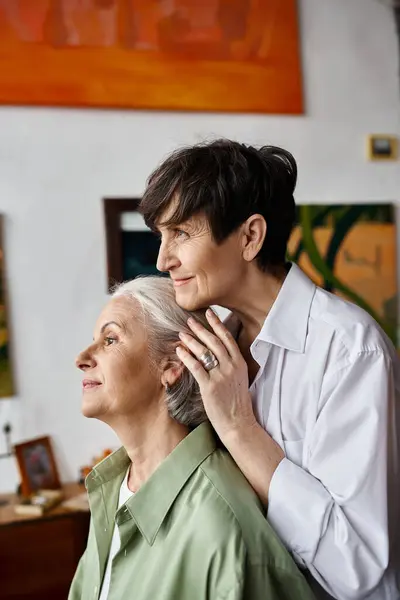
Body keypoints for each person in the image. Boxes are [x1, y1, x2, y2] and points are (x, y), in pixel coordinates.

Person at [139, 139, 400, 600]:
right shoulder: (212, 343)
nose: (163, 260)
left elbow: (356, 567)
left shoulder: (350, 351)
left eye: (180, 233)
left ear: (250, 237)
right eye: (161, 236)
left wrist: (239, 428)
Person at [68, 276, 314, 600]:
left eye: (110, 339)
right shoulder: (112, 489)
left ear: (171, 365)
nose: (82, 358)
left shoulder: (223, 527)